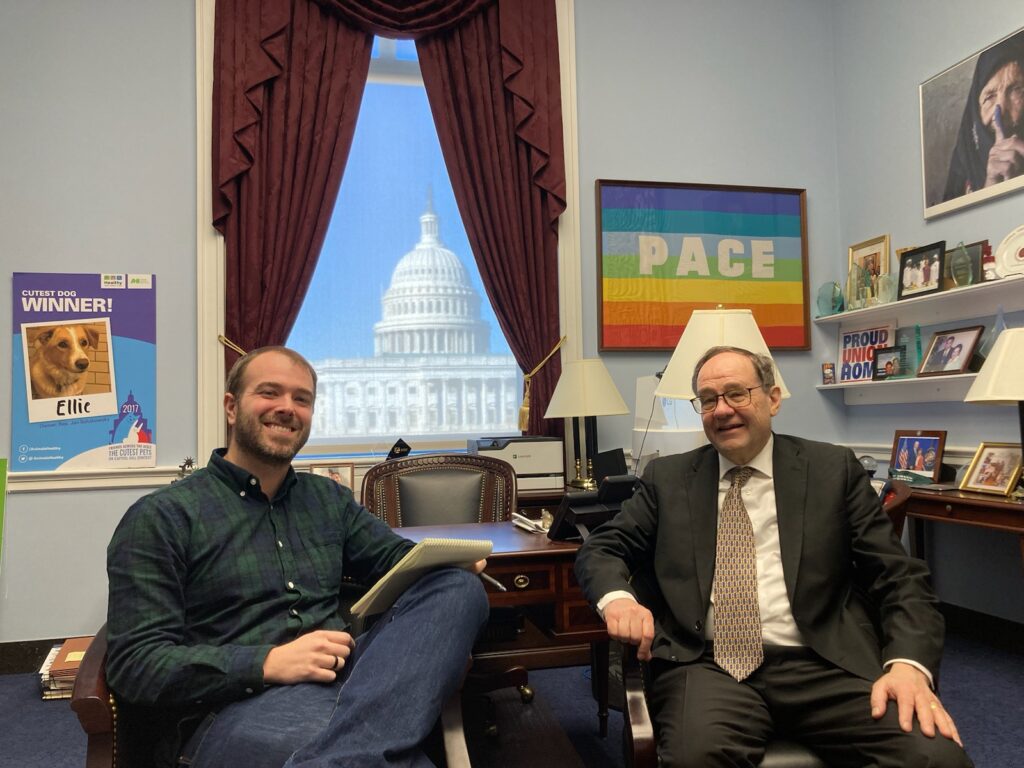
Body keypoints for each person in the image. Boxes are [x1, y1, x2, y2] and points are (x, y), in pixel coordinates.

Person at [575, 346, 971, 767]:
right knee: (696, 758)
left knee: (935, 757)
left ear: (773, 398)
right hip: (708, 665)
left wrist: (908, 665)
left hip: (825, 663)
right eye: (708, 400)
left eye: (736, 393)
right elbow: (602, 547)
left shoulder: (831, 469)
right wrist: (618, 598)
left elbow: (900, 578)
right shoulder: (668, 478)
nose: (722, 410)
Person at [105, 346, 490, 768]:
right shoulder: (162, 518)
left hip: (349, 682)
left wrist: (446, 561)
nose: (287, 408)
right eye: (270, 393)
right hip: (237, 707)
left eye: (301, 399)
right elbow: (135, 664)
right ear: (232, 407)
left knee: (457, 587)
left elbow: (397, 561)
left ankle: (346, 756)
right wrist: (267, 663)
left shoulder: (328, 500)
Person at [943, 32, 1024, 201]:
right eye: (989, 96)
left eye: (1015, 90)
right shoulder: (966, 156)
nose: (1000, 110)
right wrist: (991, 187)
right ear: (975, 107)